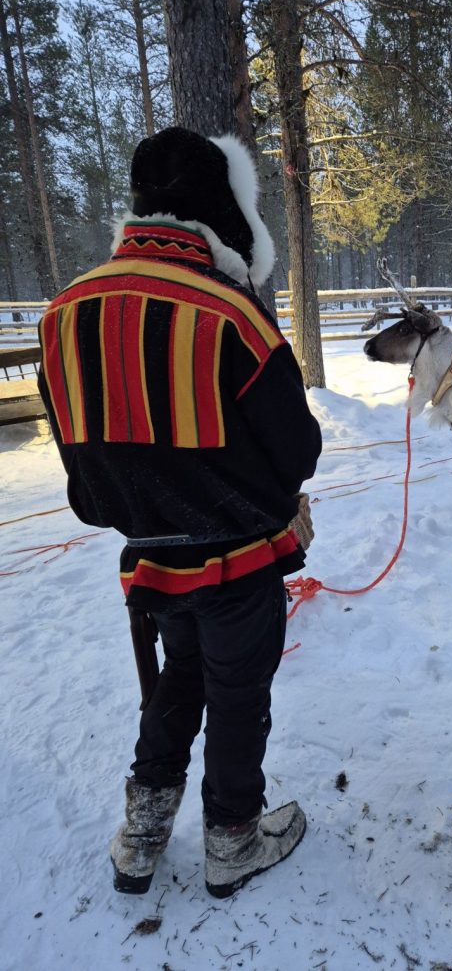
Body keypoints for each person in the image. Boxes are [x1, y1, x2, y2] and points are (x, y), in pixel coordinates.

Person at [37, 126, 322, 899]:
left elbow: (79, 456)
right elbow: (297, 448)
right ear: (222, 212)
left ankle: (142, 829)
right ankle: (232, 835)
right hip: (238, 559)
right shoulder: (232, 314)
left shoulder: (63, 314)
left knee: (178, 680)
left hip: (151, 558)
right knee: (237, 692)